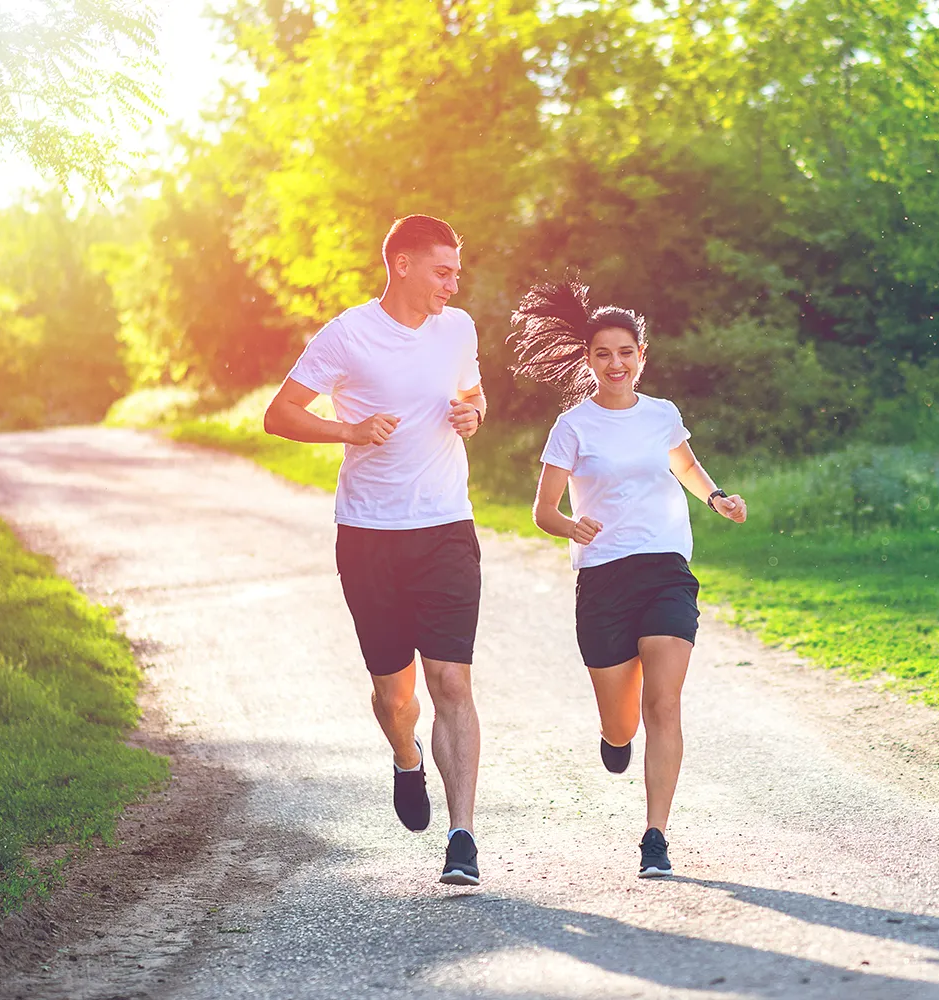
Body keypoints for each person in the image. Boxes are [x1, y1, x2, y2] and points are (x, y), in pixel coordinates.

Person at [263, 214, 487, 886]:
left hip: (447, 525)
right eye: (442, 270)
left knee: (451, 681)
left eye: (456, 270)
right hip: (369, 536)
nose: (454, 282)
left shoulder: (459, 329)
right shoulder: (348, 334)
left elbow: (471, 394)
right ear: (403, 265)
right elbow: (280, 413)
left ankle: (463, 837)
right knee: (396, 694)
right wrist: (349, 429)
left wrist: (474, 415)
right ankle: (405, 757)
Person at [510, 279, 748, 878]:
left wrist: (716, 497)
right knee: (622, 721)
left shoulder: (662, 415)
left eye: (625, 352)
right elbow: (543, 511)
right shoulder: (573, 425)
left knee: (663, 704)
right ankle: (614, 738)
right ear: (588, 362)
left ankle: (655, 837)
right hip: (603, 580)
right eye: (602, 354)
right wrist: (570, 525)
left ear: (642, 357)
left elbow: (686, 466)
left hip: (666, 569)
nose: (615, 363)